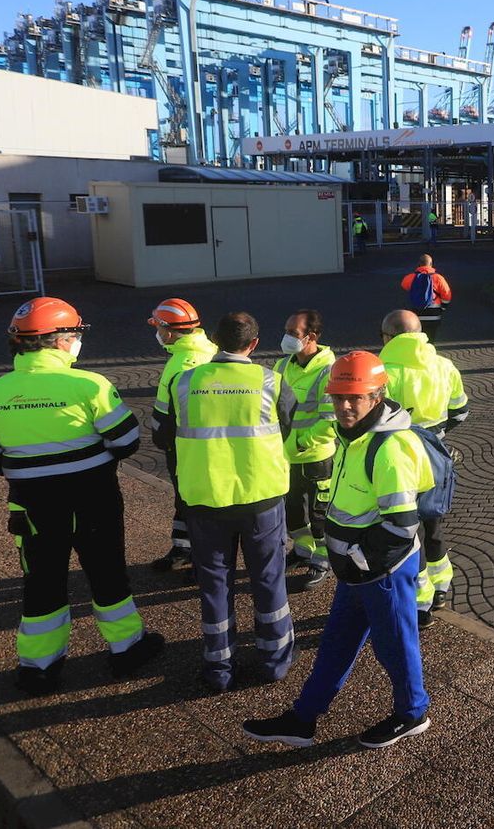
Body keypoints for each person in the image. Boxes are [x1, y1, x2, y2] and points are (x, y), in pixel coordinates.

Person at [0, 297, 165, 695]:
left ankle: (39, 668)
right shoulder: (90, 385)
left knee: (41, 580)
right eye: (74, 333)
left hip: (32, 505)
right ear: (58, 340)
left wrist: (28, 469)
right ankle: (126, 649)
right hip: (95, 500)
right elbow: (126, 443)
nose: (77, 340)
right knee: (107, 572)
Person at [242, 352, 433, 750]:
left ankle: (413, 713)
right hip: (357, 569)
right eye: (339, 397)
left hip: (383, 572)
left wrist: (359, 561)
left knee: (396, 646)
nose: (345, 406)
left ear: (377, 396)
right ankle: (303, 717)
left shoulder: (389, 448)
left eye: (355, 398)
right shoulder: (353, 435)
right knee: (336, 643)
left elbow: (400, 527)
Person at [155, 312, 296, 693]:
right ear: (253, 345)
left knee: (215, 583)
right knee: (268, 578)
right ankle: (274, 660)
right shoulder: (271, 381)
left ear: (214, 341)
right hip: (260, 498)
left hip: (204, 499)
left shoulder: (184, 382)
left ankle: (219, 665)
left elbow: (163, 435)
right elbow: (286, 426)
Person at [380, 310, 469, 628]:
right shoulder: (444, 366)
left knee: (407, 532)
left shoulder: (384, 372)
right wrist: (437, 437)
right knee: (433, 527)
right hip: (436, 458)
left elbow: (377, 425)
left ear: (389, 337)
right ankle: (441, 586)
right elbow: (460, 412)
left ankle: (420, 602)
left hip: (400, 463)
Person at [146, 297, 217, 573]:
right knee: (186, 500)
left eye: (158, 327)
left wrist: (162, 441)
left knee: (191, 500)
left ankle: (200, 559)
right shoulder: (209, 349)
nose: (157, 333)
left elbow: (167, 413)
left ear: (169, 331)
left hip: (185, 446)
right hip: (203, 442)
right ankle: (183, 549)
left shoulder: (182, 362)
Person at [277, 309, 336, 594]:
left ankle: (323, 560)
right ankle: (302, 551)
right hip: (285, 457)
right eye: (287, 331)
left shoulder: (329, 370)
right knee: (293, 512)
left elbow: (331, 420)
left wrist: (300, 443)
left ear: (311, 337)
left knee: (320, 514)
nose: (286, 337)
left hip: (315, 456)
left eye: (293, 333)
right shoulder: (281, 366)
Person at [400, 254, 453, 342]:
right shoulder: (438, 278)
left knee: (418, 339)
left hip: (417, 313)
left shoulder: (410, 278)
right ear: (431, 264)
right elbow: (447, 295)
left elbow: (404, 285)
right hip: (433, 314)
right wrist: (443, 308)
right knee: (431, 338)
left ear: (419, 264)